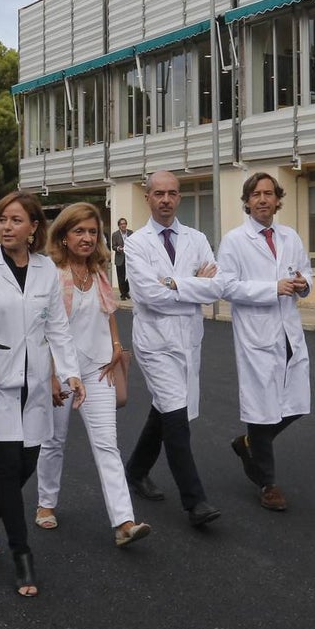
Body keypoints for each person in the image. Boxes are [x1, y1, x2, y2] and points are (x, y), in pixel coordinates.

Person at [0, 191, 85, 598]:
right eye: (1, 220)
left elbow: (57, 328)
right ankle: (22, 553)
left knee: (25, 464)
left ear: (33, 228)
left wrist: (71, 374)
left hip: (37, 383)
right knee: (8, 468)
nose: (6, 227)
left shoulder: (46, 270)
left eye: (15, 220)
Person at [34, 203, 152, 547]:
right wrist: (53, 375)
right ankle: (46, 503)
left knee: (107, 445)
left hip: (99, 368)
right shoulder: (51, 273)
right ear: (64, 236)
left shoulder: (99, 270)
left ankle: (124, 522)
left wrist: (116, 345)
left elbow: (108, 311)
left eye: (92, 232)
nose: (87, 238)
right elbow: (43, 327)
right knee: (53, 441)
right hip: (62, 370)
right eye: (79, 231)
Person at [122, 170, 223, 527]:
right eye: (159, 193)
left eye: (173, 193)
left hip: (188, 339)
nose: (166, 199)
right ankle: (195, 502)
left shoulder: (196, 238)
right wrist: (194, 284)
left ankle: (134, 471)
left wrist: (174, 284)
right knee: (177, 418)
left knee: (164, 410)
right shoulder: (135, 244)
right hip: (154, 343)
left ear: (179, 198)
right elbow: (149, 296)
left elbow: (216, 289)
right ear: (147, 197)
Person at [217, 173, 312, 512]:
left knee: (296, 403)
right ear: (247, 200)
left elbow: (305, 272)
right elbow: (226, 287)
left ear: (277, 200)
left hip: (288, 331)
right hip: (257, 334)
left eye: (268, 194)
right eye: (255, 194)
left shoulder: (290, 236)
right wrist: (271, 289)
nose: (262, 200)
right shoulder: (234, 241)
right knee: (261, 408)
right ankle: (267, 483)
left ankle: (248, 445)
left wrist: (303, 283)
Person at [111, 217, 133, 300]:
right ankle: (123, 294)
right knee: (121, 277)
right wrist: (118, 248)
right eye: (121, 224)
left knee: (130, 276)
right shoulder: (115, 234)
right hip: (120, 258)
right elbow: (113, 246)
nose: (123, 225)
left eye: (124, 223)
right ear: (119, 226)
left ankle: (126, 291)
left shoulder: (131, 233)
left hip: (130, 258)